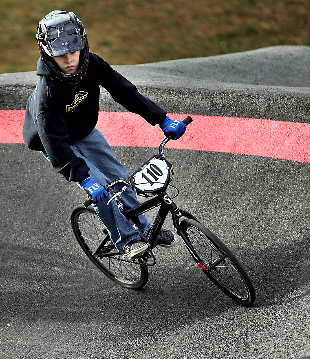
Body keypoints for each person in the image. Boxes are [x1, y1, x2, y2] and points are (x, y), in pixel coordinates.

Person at [22, 10, 188, 259]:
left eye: (73, 51)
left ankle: (144, 227)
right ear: (47, 54)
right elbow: (53, 140)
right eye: (60, 55)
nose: (69, 60)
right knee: (103, 191)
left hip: (84, 131)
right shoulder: (48, 93)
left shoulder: (93, 64)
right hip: (58, 143)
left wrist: (162, 119)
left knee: (121, 179)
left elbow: (124, 91)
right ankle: (126, 241)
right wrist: (84, 178)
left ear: (82, 45)